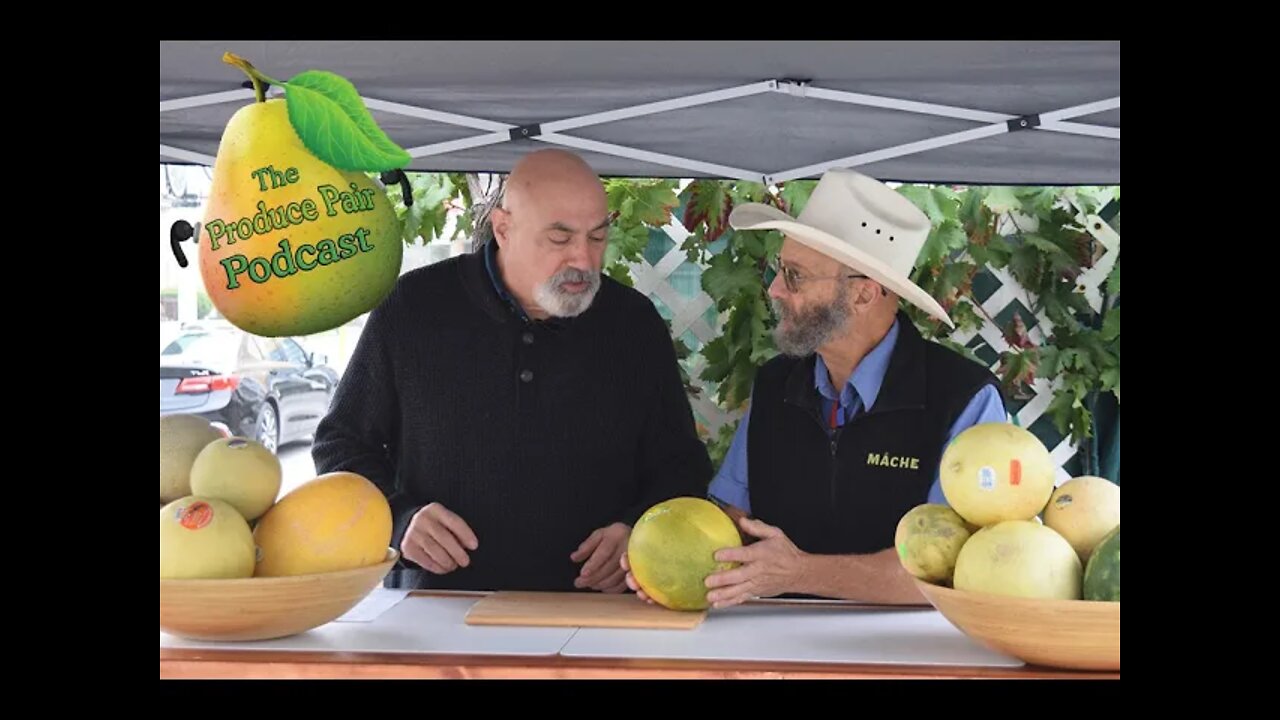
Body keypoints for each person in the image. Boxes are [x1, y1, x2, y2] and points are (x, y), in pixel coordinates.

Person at [313, 149, 713, 593]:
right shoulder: (414, 308)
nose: (583, 259)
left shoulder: (632, 324)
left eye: (597, 237)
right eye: (560, 239)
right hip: (438, 610)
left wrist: (635, 528)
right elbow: (340, 445)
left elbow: (681, 465)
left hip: (596, 613)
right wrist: (398, 517)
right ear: (503, 229)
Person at [623, 169, 1007, 607]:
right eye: (780, 270)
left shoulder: (964, 399)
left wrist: (803, 571)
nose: (775, 290)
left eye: (795, 276)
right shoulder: (775, 385)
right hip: (776, 651)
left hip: (911, 656)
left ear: (863, 295)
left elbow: (955, 570)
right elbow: (733, 520)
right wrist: (671, 565)